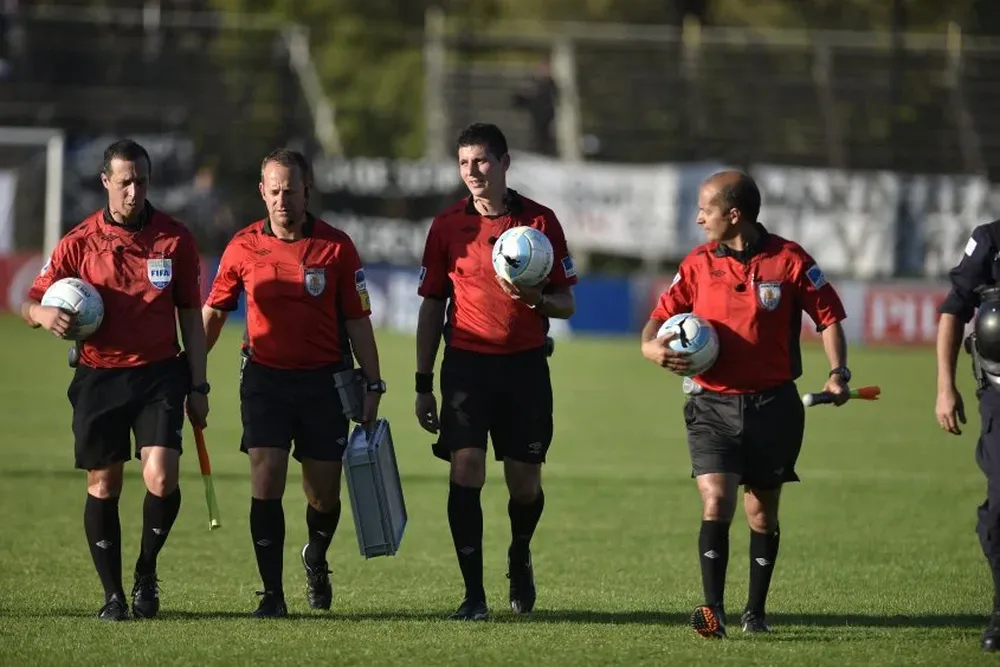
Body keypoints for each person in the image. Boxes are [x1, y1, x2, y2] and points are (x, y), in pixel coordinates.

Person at [640, 170, 849, 638]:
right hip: (710, 406)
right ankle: (712, 612)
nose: (699, 219)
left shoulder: (789, 260)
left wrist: (839, 372)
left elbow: (829, 317)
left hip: (773, 408)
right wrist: (650, 347)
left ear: (734, 215)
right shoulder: (697, 263)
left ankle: (755, 612)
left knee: (762, 513)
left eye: (706, 210)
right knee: (716, 499)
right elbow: (658, 318)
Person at [19, 139, 209, 622]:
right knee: (104, 485)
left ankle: (146, 570)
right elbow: (29, 302)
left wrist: (199, 385)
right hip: (99, 376)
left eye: (141, 182)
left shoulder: (175, 239)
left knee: (161, 477)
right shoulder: (79, 241)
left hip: (159, 374)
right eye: (124, 182)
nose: (133, 191)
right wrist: (44, 314)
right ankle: (113, 596)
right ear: (106, 181)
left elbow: (191, 317)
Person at [202, 148, 384, 618]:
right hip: (264, 380)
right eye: (274, 191)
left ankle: (315, 557)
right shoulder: (242, 246)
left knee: (323, 494)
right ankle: (272, 594)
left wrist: (374, 384)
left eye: (291, 190)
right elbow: (214, 313)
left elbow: (358, 320)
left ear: (307, 191)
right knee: (266, 479)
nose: (282, 199)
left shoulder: (337, 247)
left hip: (325, 383)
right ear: (262, 192)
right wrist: (190, 371)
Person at [414, 122, 578, 621]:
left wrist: (536, 299)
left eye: (481, 161)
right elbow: (431, 306)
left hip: (525, 369)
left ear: (505, 163)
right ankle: (474, 595)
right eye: (464, 163)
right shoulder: (447, 226)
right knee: (466, 469)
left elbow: (567, 303)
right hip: (466, 367)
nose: (473, 171)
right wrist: (422, 383)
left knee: (524, 485)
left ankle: (519, 552)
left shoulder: (540, 222)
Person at [935, 219, 1000, 652]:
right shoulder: (991, 239)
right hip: (998, 392)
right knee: (999, 509)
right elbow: (954, 309)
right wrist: (946, 386)